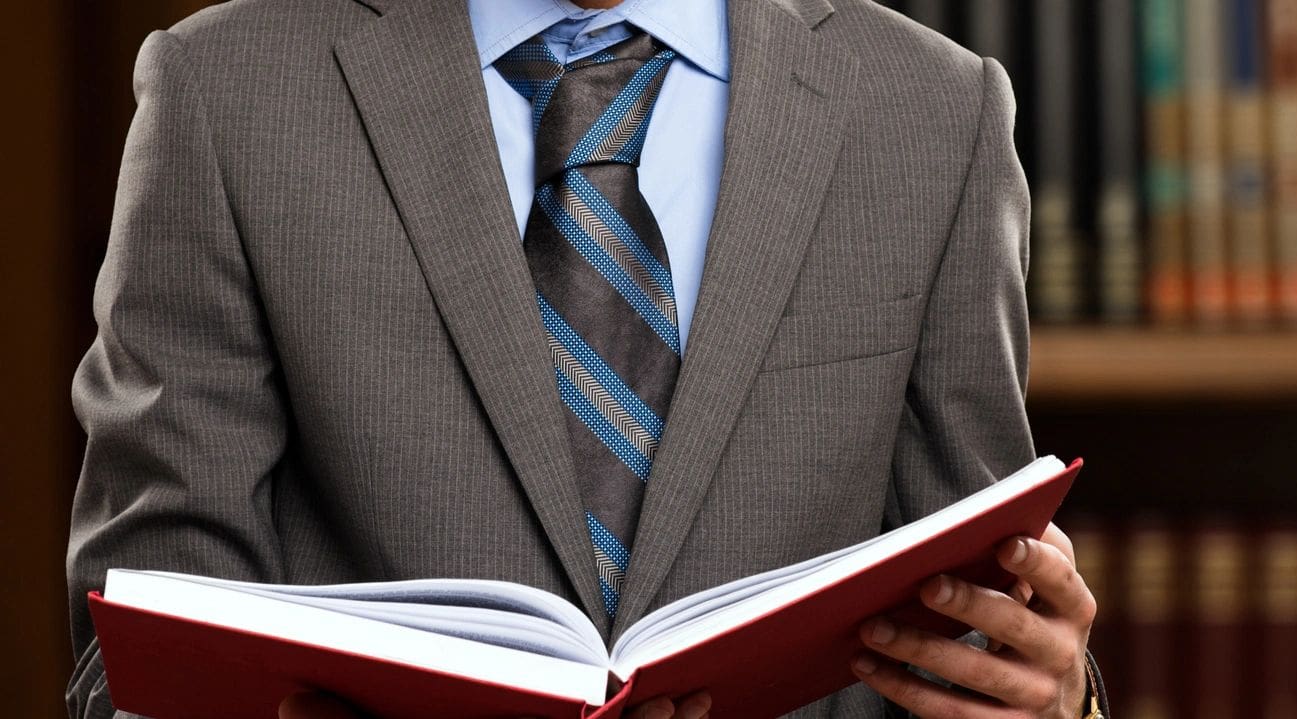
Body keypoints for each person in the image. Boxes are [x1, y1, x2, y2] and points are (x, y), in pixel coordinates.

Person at [66, 0, 1107, 717]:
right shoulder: (226, 97)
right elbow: (138, 659)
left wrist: (1059, 698)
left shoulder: (937, 115)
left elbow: (981, 630)